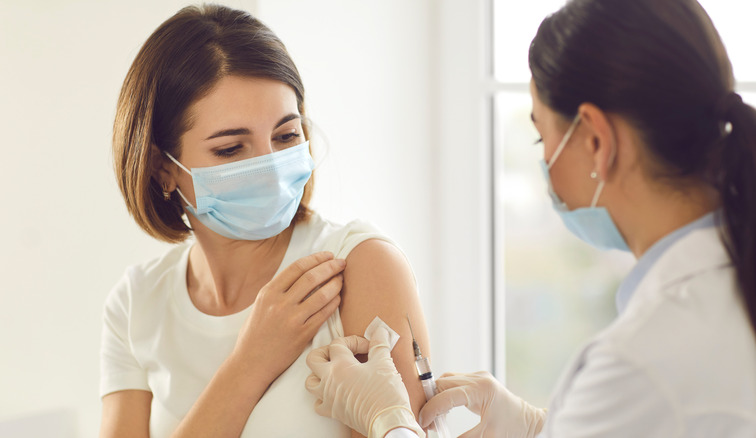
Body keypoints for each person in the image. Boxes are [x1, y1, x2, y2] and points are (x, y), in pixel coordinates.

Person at [304, 0, 756, 436]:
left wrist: (389, 421)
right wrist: (541, 427)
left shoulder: (643, 361)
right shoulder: (720, 291)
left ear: (597, 141)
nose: (545, 169)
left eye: (542, 140)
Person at [98, 5, 430, 438]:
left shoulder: (359, 266)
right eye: (232, 149)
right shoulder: (137, 304)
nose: (272, 167)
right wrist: (249, 364)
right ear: (163, 167)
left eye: (286, 136)